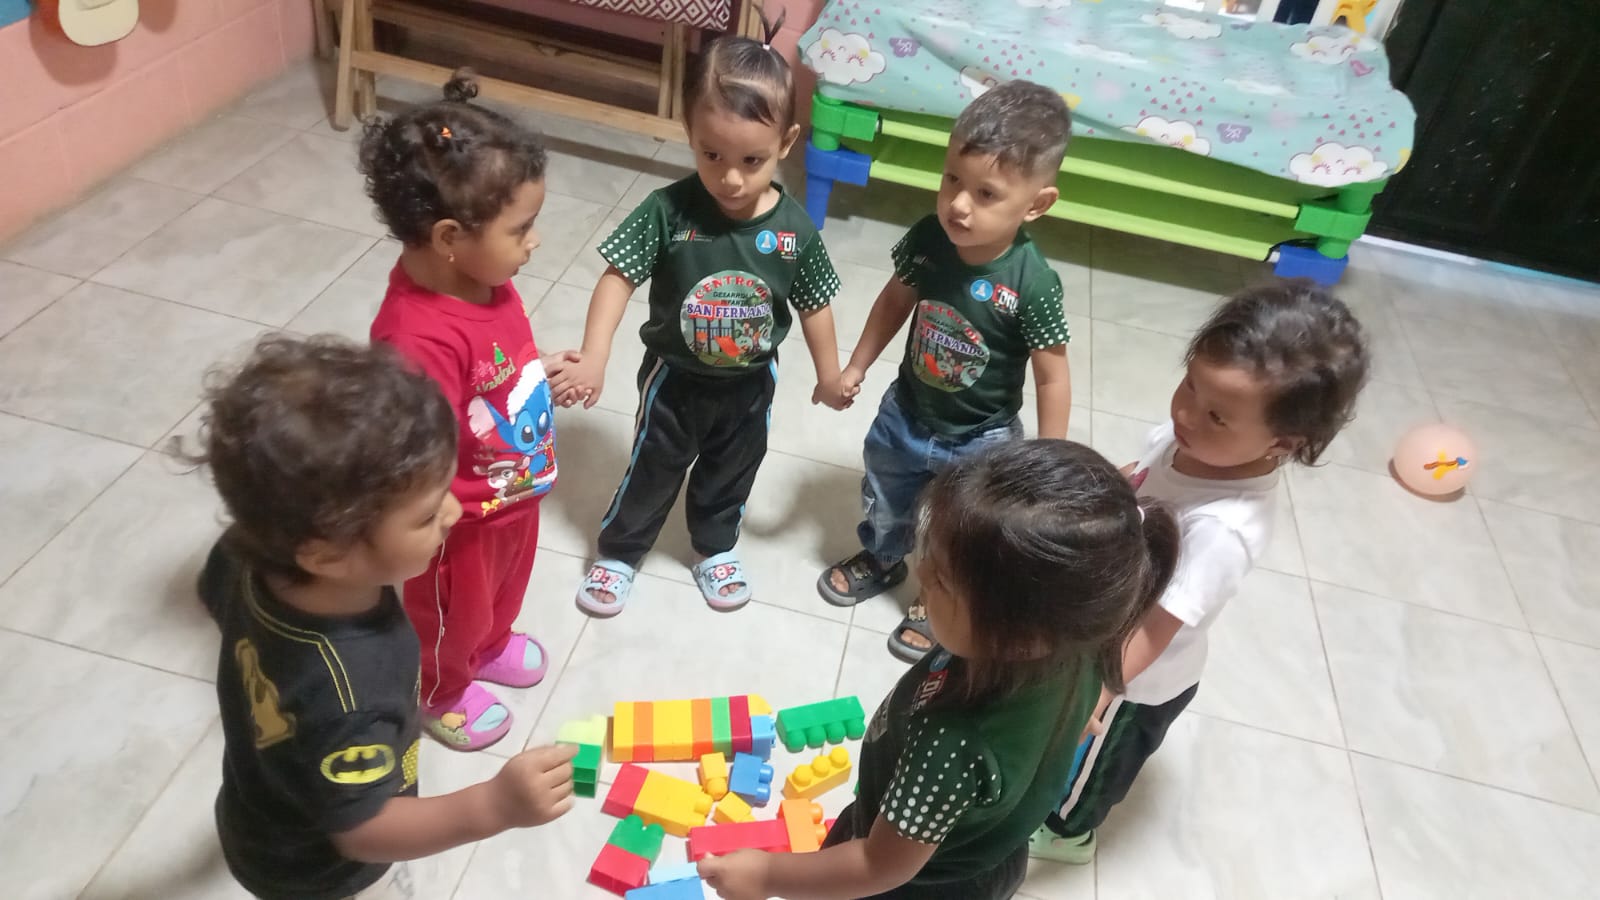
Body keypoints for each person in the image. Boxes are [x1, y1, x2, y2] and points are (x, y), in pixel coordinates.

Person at [698, 440, 1179, 900]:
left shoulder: (952, 742)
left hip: (913, 886)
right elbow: (1076, 721)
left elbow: (877, 865)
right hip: (987, 852)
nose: (922, 572)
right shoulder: (1076, 640)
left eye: (943, 579)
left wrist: (768, 875)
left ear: (1017, 634)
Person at [185, 335, 577, 900]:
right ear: (327, 555)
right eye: (425, 515)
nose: (453, 511)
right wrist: (492, 805)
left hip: (257, 805)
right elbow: (363, 831)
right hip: (321, 875)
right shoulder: (351, 695)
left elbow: (212, 597)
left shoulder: (247, 553)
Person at [1030, 279, 1371, 864]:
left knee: (1089, 767)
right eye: (1189, 383)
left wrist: (1100, 693)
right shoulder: (1190, 438)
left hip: (1137, 681)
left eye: (1217, 415)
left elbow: (1157, 629)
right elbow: (1143, 471)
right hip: (1109, 627)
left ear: (1285, 443)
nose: (1186, 413)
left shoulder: (1223, 529)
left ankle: (1068, 834)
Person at [549, 14, 847, 617]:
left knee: (732, 471)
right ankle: (620, 551)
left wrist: (830, 373)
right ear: (690, 132)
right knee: (653, 467)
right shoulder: (668, 210)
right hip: (675, 380)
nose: (730, 178)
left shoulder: (794, 229)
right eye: (712, 154)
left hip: (750, 384)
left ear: (786, 142)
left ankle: (715, 546)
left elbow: (815, 302)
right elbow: (617, 278)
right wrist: (596, 355)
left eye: (752, 160)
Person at [814, 80, 1075, 662]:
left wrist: (1047, 461)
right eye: (952, 179)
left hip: (982, 437)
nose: (958, 204)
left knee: (962, 529)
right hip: (906, 411)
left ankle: (939, 598)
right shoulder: (930, 238)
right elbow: (894, 300)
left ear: (1036, 204)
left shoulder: (1033, 282)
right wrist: (856, 364)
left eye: (986, 193)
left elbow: (1052, 376)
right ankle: (883, 557)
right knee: (886, 495)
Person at [365, 71, 574, 751]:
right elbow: (408, 451)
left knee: (501, 594)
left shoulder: (488, 280)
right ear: (451, 237)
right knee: (449, 614)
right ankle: (440, 691)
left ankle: (488, 645)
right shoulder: (415, 338)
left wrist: (537, 370)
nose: (533, 242)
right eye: (522, 228)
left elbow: (493, 365)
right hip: (461, 522)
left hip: (513, 493)